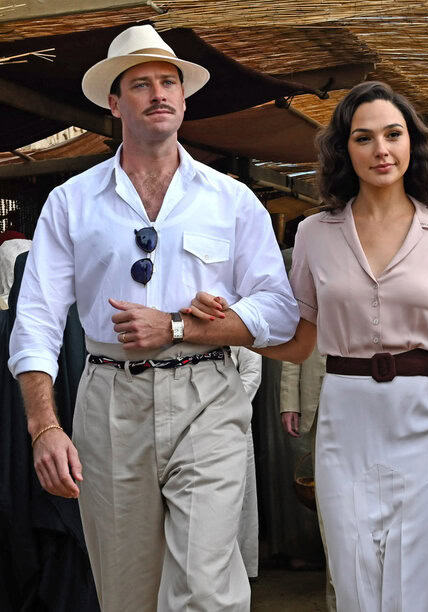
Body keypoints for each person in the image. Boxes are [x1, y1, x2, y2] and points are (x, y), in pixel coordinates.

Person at [9, 25, 299, 611]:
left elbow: (279, 311)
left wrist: (185, 326)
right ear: (115, 104)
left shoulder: (232, 198)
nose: (158, 93)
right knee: (127, 591)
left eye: (169, 82)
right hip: (109, 399)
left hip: (208, 393)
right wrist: (45, 427)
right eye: (140, 84)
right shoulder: (71, 200)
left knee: (208, 588)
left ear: (184, 99)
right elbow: (35, 321)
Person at [190, 81, 428, 611]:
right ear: (344, 150)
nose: (381, 150)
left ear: (411, 143)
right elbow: (300, 341)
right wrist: (231, 326)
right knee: (355, 578)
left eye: (393, 135)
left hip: (427, 415)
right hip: (347, 418)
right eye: (364, 137)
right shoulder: (314, 234)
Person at [231, 346, 262, 579]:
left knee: (238, 498)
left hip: (232, 418)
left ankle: (240, 571)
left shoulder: (236, 308)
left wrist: (227, 408)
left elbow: (252, 370)